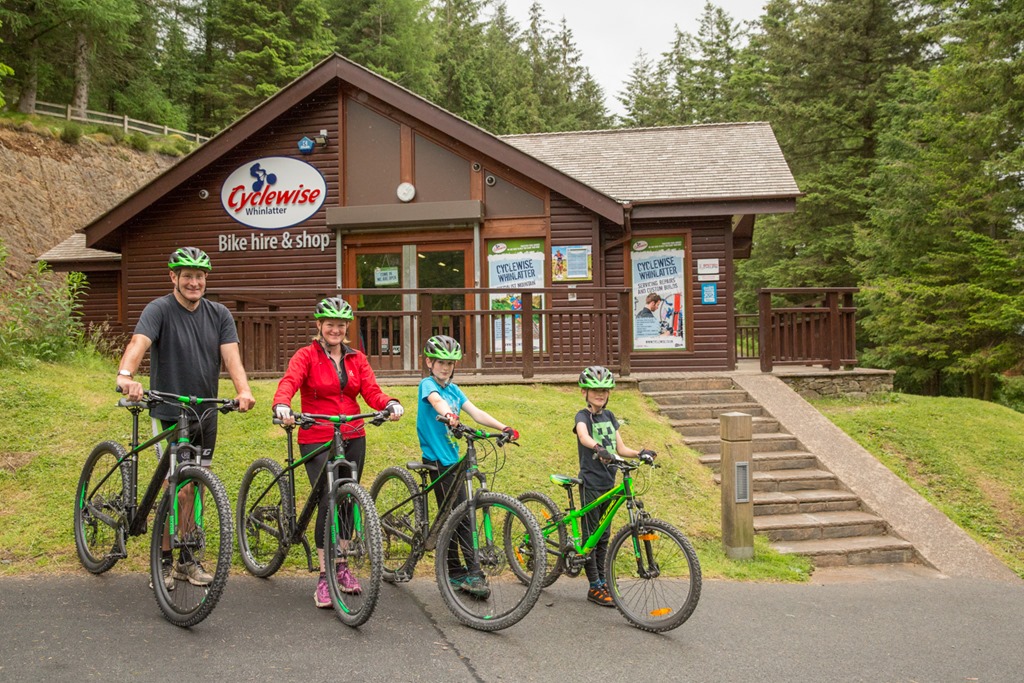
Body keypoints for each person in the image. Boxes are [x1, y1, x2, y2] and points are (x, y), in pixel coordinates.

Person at [115, 246, 256, 590]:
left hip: (205, 410)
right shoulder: (159, 309)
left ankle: (187, 559)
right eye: (187, 276)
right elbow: (139, 342)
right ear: (173, 277)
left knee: (197, 485)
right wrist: (125, 374)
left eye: (200, 276)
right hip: (168, 410)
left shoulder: (219, 314)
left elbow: (231, 357)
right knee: (175, 486)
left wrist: (243, 391)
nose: (194, 282)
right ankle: (164, 559)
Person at [272, 296, 404, 608]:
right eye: (330, 324)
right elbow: (289, 383)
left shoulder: (356, 358)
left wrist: (388, 403)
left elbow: (370, 390)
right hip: (317, 434)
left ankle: (341, 566)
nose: (335, 329)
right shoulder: (306, 356)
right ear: (319, 326)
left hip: (353, 433)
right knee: (329, 500)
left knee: (347, 499)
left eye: (341, 325)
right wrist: (282, 404)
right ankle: (323, 577)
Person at [417, 334, 518, 599]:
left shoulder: (454, 389)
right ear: (429, 362)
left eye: (450, 363)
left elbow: (476, 412)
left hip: (451, 459)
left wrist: (503, 427)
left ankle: (456, 569)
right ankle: (468, 571)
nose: (445, 367)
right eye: (440, 362)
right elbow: (436, 402)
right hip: (436, 460)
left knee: (456, 513)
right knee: (458, 514)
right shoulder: (427, 385)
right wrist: (450, 416)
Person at [574, 365, 656, 606]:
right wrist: (597, 447)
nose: (600, 393)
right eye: (595, 389)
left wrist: (640, 453)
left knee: (604, 536)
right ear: (585, 392)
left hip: (610, 483)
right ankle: (594, 586)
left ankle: (602, 580)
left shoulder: (609, 417)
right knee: (591, 536)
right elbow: (583, 436)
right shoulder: (582, 416)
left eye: (604, 390)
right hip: (591, 482)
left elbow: (621, 449)